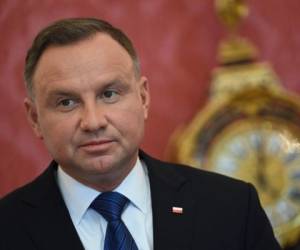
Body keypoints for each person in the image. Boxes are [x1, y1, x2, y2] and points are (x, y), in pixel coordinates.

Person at [0, 17, 281, 250]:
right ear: (35, 119)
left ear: (143, 98)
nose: (93, 121)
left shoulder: (232, 208)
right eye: (66, 102)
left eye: (109, 94)